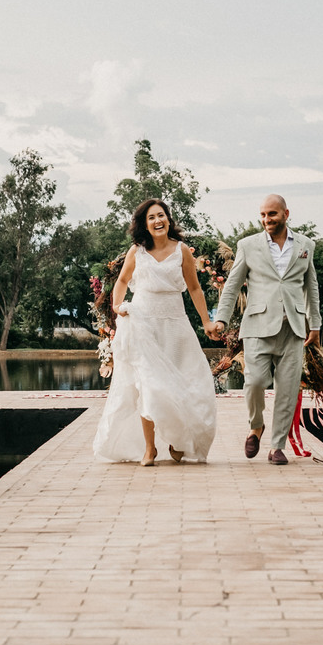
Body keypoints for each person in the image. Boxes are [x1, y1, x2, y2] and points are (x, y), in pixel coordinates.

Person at [93, 198, 218, 466]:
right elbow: (123, 280)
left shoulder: (182, 251)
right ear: (144, 224)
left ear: (169, 220)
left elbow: (195, 289)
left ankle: (175, 438)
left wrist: (207, 322)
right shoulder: (136, 251)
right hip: (143, 324)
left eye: (161, 216)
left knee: (182, 383)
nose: (157, 221)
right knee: (147, 384)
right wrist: (117, 307)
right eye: (151, 217)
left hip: (176, 326)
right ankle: (150, 449)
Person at [211, 194, 320, 465]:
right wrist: (221, 319)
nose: (266, 220)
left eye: (272, 214)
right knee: (255, 382)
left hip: (293, 329)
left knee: (287, 389)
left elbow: (311, 286)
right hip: (257, 327)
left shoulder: (306, 245)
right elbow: (233, 285)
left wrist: (315, 324)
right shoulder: (248, 245)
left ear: (285, 213)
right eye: (262, 215)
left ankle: (276, 446)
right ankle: (256, 426)